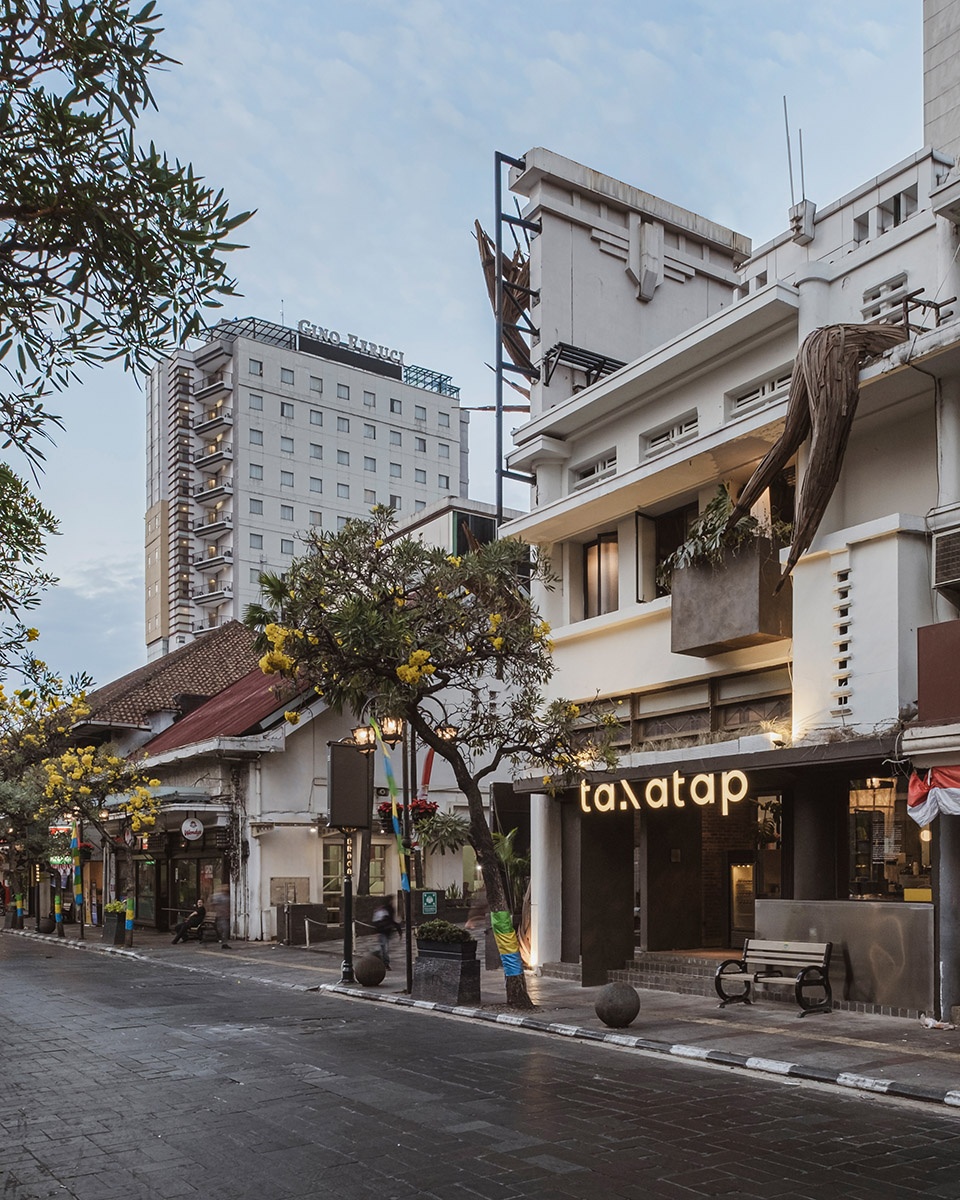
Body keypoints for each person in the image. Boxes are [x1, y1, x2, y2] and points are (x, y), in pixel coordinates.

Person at [372, 895, 401, 969]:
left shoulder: (388, 909)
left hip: (386, 931)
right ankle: (385, 963)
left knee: (383, 946)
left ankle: (376, 954)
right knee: (385, 947)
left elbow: (392, 920)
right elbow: (391, 920)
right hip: (384, 931)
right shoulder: (384, 910)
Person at [210, 884, 231, 949]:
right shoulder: (218, 896)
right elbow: (214, 904)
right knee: (224, 928)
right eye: (225, 887)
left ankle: (224, 942)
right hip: (221, 915)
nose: (227, 888)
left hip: (225, 915)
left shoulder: (227, 896)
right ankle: (223, 942)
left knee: (225, 929)